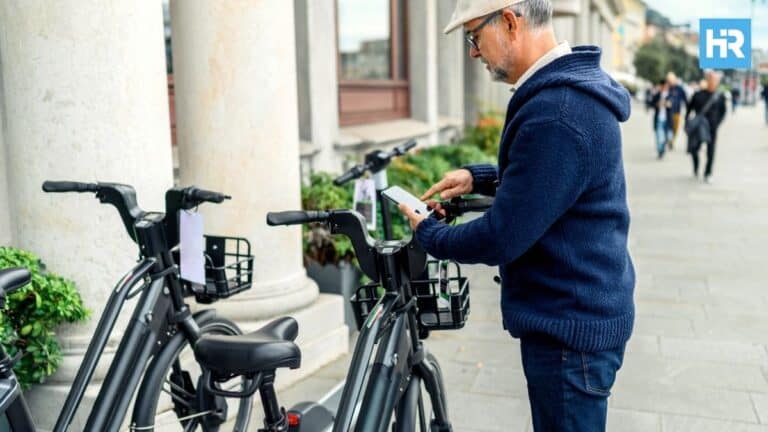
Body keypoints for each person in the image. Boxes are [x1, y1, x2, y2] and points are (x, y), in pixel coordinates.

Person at [397, 1, 635, 431]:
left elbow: (501, 236)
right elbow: (549, 180)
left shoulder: (558, 111)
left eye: (474, 36)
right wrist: (480, 176)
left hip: (568, 331)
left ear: (509, 21)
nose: (473, 52)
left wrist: (430, 233)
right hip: (576, 314)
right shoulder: (562, 95)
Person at [686, 70, 727, 183]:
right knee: (693, 149)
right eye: (711, 79)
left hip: (712, 128)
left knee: (711, 151)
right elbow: (689, 108)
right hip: (699, 127)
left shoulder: (720, 96)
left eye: (715, 80)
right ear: (707, 80)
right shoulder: (698, 94)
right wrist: (687, 121)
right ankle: (696, 166)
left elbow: (723, 112)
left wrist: (718, 123)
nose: (713, 82)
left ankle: (708, 173)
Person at [666, 72, 687, 149]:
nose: (670, 81)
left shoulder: (679, 89)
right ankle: (668, 139)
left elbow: (685, 99)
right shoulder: (666, 87)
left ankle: (671, 141)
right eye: (668, 80)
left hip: (676, 112)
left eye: (671, 80)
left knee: (675, 129)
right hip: (666, 113)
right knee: (668, 128)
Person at [651, 79, 673, 159]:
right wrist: (657, 104)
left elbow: (672, 105)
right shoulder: (657, 95)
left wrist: (668, 104)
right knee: (659, 136)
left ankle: (663, 148)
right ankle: (660, 150)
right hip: (659, 119)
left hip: (667, 119)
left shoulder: (670, 95)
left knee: (666, 136)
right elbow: (652, 104)